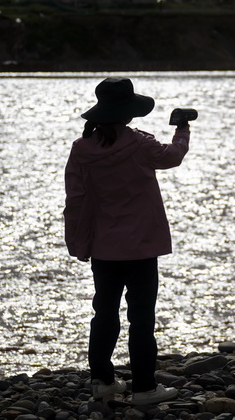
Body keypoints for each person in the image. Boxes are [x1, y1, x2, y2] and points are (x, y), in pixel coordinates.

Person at [63, 77, 191, 406]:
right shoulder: (139, 144)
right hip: (141, 247)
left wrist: (76, 243)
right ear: (128, 113)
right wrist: (182, 129)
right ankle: (144, 389)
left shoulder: (81, 149)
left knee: (104, 314)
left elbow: (75, 200)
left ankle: (103, 381)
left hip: (103, 248)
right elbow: (174, 156)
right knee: (141, 318)